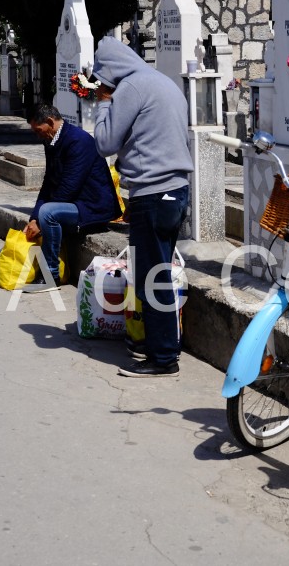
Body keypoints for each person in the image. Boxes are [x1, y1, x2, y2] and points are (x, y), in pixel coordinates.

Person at [92, 36, 193, 378]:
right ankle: (159, 344)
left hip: (152, 194)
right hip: (176, 191)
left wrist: (104, 102)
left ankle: (163, 358)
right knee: (159, 271)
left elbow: (104, 143)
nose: (101, 84)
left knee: (153, 278)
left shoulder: (130, 89)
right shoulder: (161, 81)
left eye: (102, 77)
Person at [0, 103, 121, 292]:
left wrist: (41, 219)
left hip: (92, 208)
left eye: (38, 130)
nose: (36, 134)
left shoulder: (78, 141)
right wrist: (34, 218)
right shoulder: (51, 140)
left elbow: (68, 188)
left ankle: (50, 276)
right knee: (30, 231)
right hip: (70, 206)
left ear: (49, 122)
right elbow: (49, 183)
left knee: (47, 215)